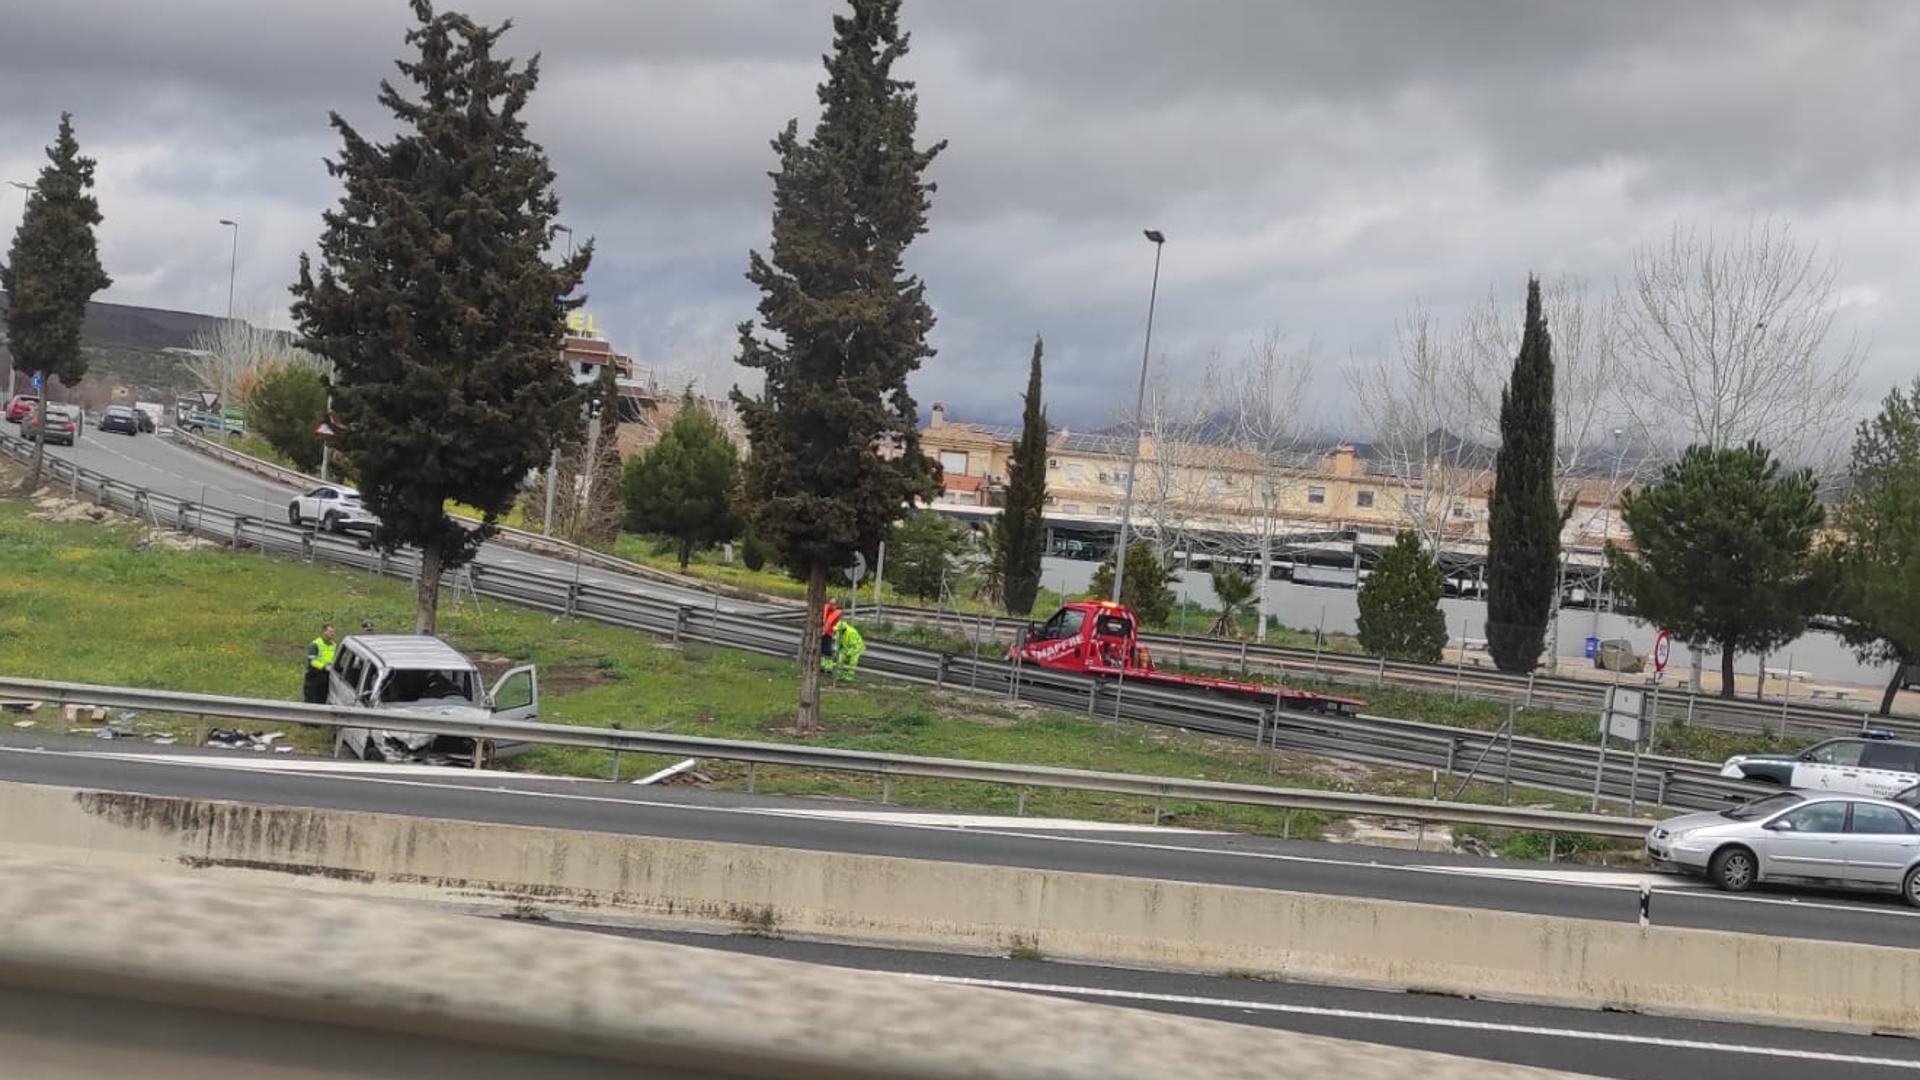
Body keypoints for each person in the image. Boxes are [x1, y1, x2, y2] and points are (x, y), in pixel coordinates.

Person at [304, 623, 337, 704]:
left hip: (327, 675)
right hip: (315, 674)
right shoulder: (315, 644)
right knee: (311, 698)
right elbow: (312, 661)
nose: (332, 634)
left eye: (333, 632)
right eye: (330, 632)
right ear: (324, 632)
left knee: (322, 698)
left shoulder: (334, 645)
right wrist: (324, 667)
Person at [830, 617, 865, 684]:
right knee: (840, 659)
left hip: (857, 648)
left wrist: (848, 654)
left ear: (843, 629)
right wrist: (836, 651)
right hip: (846, 647)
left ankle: (849, 677)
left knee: (853, 662)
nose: (837, 631)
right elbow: (837, 642)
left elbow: (854, 646)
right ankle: (839, 674)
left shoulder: (852, 632)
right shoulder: (838, 632)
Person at [820, 602, 842, 674]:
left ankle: (828, 668)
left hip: (828, 634)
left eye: (834, 605)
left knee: (828, 651)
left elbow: (829, 623)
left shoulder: (836, 613)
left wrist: (824, 631)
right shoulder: (826, 609)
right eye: (831, 604)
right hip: (824, 632)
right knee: (823, 651)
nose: (832, 606)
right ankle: (823, 667)